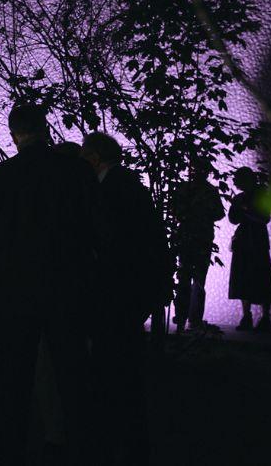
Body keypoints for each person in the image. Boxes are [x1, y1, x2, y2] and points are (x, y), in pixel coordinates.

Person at [0, 105, 97, 466]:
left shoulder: (0, 176)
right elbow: (96, 229)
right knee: (71, 377)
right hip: (65, 289)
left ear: (13, 133)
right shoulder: (75, 170)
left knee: (14, 380)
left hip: (16, 294)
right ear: (44, 129)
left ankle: (11, 452)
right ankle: (79, 449)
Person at [82, 132, 169, 465]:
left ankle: (119, 441)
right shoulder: (129, 184)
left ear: (94, 158)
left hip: (116, 294)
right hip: (129, 294)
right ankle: (130, 440)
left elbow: (113, 243)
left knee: (115, 368)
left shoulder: (111, 189)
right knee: (125, 368)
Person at [172, 157, 224, 333]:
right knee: (191, 279)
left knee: (190, 279)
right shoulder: (200, 190)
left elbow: (218, 213)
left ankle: (185, 318)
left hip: (195, 238)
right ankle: (187, 318)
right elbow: (218, 213)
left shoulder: (199, 190)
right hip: (195, 238)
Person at [227, 167, 271, 332]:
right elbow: (233, 219)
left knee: (261, 278)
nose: (234, 182)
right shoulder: (241, 197)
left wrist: (244, 209)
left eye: (237, 178)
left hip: (257, 242)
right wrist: (240, 208)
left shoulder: (260, 195)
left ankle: (265, 317)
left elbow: (264, 218)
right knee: (243, 279)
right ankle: (247, 316)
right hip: (244, 241)